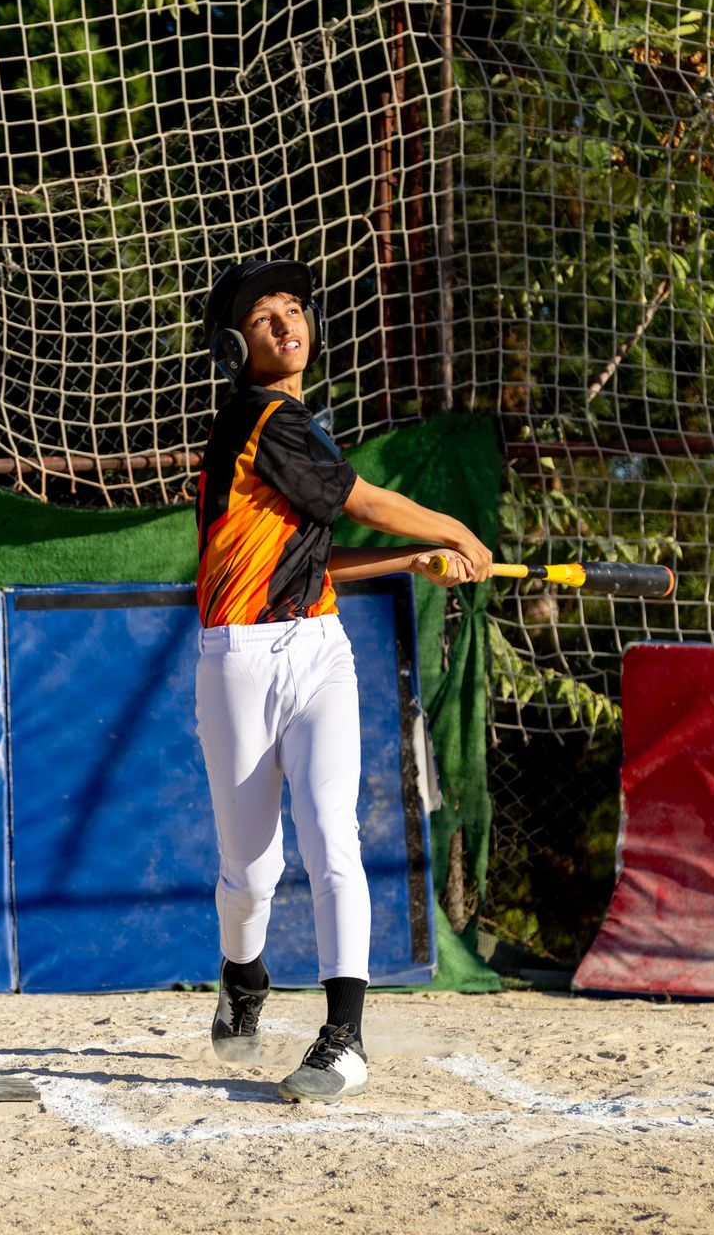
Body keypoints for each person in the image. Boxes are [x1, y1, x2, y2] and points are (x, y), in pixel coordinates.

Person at [194, 258, 491, 1102]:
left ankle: (343, 1038)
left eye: (295, 309)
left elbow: (318, 558)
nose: (288, 324)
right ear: (235, 347)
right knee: (249, 873)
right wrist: (455, 529)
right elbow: (363, 500)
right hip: (239, 663)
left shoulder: (299, 428)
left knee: (334, 839)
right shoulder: (262, 419)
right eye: (264, 318)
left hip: (318, 650)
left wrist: (416, 561)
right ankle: (244, 976)